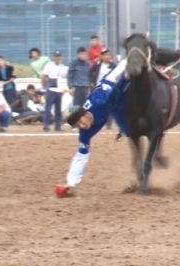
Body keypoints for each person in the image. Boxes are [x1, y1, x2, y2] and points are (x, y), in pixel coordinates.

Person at [55, 60, 129, 198]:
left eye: (80, 122)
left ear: (84, 113)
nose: (81, 126)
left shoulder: (98, 101)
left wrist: (126, 62)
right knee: (130, 132)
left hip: (116, 91)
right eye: (77, 126)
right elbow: (81, 157)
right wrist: (70, 183)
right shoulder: (85, 133)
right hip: (115, 108)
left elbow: (111, 77)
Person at [90, 48, 117, 130]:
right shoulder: (97, 65)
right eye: (105, 55)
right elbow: (90, 72)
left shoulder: (113, 66)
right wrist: (92, 82)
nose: (107, 56)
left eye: (108, 54)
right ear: (101, 56)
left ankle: (108, 124)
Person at [42, 51, 68, 132]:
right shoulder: (49, 66)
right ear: (54, 57)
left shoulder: (63, 67)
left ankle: (58, 126)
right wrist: (45, 86)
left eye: (59, 56)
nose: (58, 58)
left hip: (59, 90)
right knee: (48, 108)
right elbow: (44, 76)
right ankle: (46, 125)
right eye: (56, 56)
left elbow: (66, 75)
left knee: (58, 110)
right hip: (51, 90)